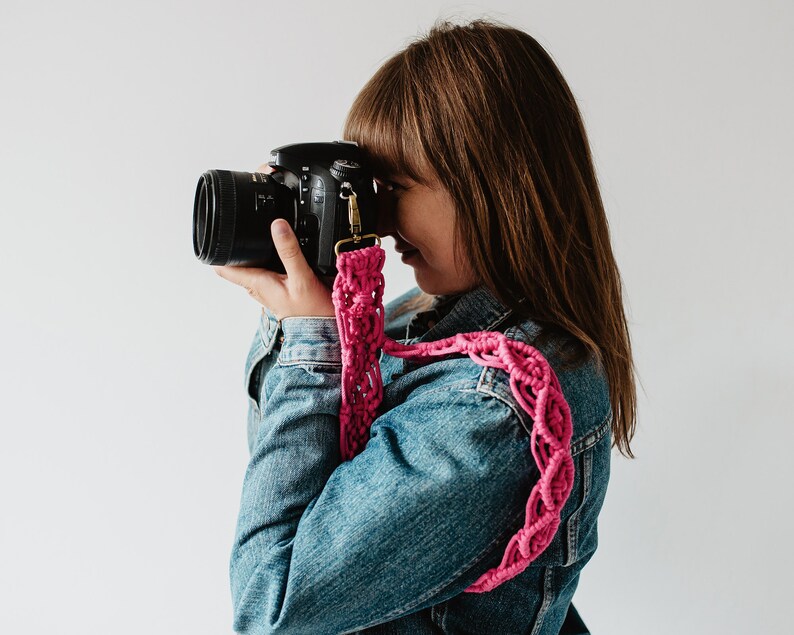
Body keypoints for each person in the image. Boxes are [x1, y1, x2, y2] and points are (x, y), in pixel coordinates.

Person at [215, 18, 637, 635]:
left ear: (491, 188)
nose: (377, 218)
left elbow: (269, 606)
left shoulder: (500, 409)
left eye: (394, 189)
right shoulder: (425, 318)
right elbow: (299, 484)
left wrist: (310, 348)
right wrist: (304, 314)